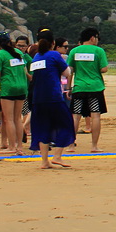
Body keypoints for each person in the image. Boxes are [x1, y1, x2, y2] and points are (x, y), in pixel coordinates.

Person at [29, 30, 76, 169]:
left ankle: (44, 161)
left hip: (38, 98)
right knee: (66, 124)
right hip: (53, 97)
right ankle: (57, 156)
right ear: (53, 43)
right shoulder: (55, 55)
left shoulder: (36, 56)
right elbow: (67, 73)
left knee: (42, 128)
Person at [67, 28, 109, 152]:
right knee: (95, 115)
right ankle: (94, 146)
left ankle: (70, 145)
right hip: (95, 87)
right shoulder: (98, 51)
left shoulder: (74, 51)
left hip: (79, 87)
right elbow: (104, 69)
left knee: (75, 116)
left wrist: (69, 87)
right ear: (92, 38)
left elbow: (70, 70)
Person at [0, 32, 31, 155]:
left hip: (8, 87)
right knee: (17, 118)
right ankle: (20, 146)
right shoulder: (18, 53)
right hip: (21, 87)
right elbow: (26, 72)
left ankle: (12, 146)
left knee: (9, 119)